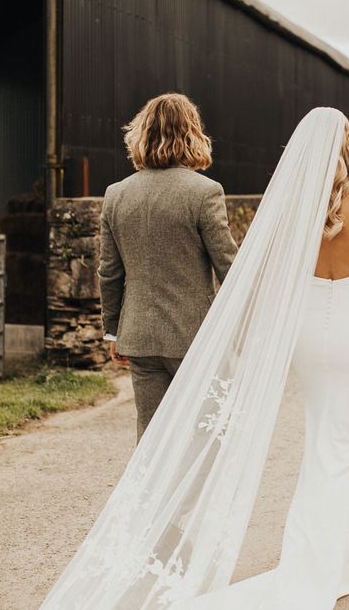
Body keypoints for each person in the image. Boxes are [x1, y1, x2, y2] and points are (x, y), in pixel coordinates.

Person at [41, 107, 349, 609]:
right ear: (348, 144)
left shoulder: (291, 203)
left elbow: (253, 272)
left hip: (305, 333)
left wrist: (251, 332)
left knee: (319, 437)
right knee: (338, 443)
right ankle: (314, 561)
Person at [98, 92, 238, 443]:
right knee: (205, 437)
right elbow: (228, 266)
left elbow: (109, 273)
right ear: (192, 133)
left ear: (142, 133)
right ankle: (198, 499)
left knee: (152, 438)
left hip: (140, 336)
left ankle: (154, 499)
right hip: (195, 337)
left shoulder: (116, 194)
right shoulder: (205, 192)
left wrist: (113, 330)